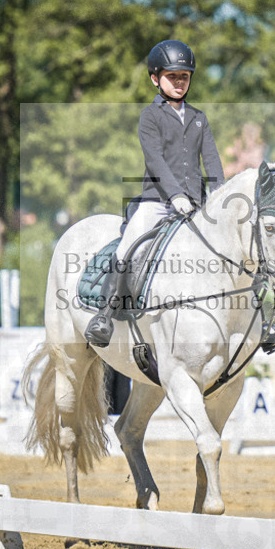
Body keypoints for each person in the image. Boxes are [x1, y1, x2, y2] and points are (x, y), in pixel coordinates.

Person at [85, 39, 225, 346]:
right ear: (155, 78)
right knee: (127, 248)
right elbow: (155, 160)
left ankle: (262, 320)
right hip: (158, 202)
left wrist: (220, 195)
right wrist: (176, 195)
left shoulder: (200, 118)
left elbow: (212, 160)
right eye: (172, 76)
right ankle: (104, 317)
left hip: (198, 203)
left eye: (184, 76)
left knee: (236, 244)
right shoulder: (150, 116)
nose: (179, 82)